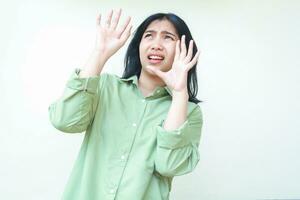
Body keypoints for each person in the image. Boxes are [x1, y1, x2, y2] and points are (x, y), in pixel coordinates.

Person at [48, 8, 203, 200]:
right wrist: (100, 53)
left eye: (167, 38)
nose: (156, 44)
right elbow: (64, 121)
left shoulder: (189, 112)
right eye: (149, 36)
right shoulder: (105, 86)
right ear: (138, 45)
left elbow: (169, 165)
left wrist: (180, 93)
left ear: (184, 50)